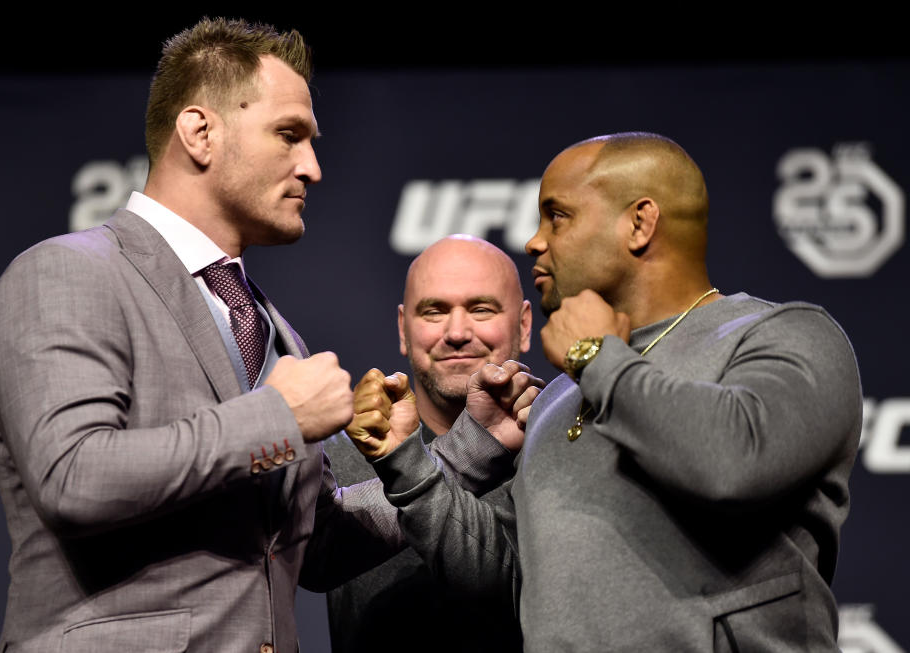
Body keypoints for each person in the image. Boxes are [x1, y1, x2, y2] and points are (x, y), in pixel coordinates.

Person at [0, 18, 533, 653]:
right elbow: (72, 477)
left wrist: (471, 451)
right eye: (289, 135)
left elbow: (317, 547)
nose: (314, 167)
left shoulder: (272, 331)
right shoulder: (68, 273)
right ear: (199, 132)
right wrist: (277, 417)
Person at [349, 132, 863, 651]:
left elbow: (735, 462)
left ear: (639, 224)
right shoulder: (559, 398)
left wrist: (598, 359)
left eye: (558, 216)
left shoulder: (784, 336)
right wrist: (405, 463)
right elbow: (508, 575)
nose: (533, 241)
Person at [325, 235, 532, 652]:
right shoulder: (341, 456)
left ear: (524, 325)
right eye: (434, 311)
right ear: (403, 329)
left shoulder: (560, 452)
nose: (456, 332)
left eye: (481, 309)